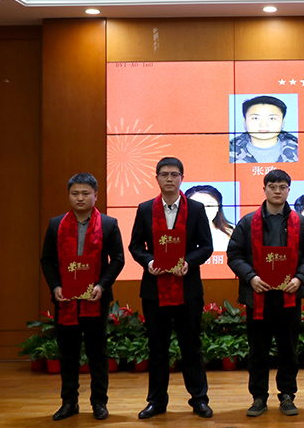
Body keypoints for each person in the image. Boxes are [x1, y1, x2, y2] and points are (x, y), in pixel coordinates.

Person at [227, 169, 304, 417]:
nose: (277, 191)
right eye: (272, 187)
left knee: (288, 349)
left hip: (288, 296)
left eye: (282, 187)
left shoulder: (300, 223)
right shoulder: (248, 222)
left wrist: (299, 278)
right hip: (258, 295)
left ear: (288, 190)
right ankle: (258, 397)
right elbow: (234, 254)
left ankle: (287, 395)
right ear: (264, 189)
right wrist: (251, 277)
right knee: (257, 350)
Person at [129, 157, 214, 419]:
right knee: (157, 348)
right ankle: (156, 402)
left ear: (182, 178)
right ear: (157, 178)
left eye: (174, 174)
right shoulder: (145, 209)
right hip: (154, 290)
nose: (169, 179)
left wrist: (188, 262)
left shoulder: (196, 209)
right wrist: (149, 262)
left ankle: (199, 399)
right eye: (164, 174)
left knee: (192, 347)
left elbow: (206, 246)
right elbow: (135, 246)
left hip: (188, 289)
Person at [40, 173, 125, 421]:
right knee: (68, 354)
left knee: (98, 354)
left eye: (85, 193)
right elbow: (47, 260)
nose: (80, 198)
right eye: (75, 193)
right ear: (69, 195)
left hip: (95, 299)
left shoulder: (108, 224)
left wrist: (102, 286)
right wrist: (55, 287)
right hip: (65, 300)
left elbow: (118, 259)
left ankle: (99, 402)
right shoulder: (56, 224)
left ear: (95, 196)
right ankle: (69, 403)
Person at [230, 95, 299, 163]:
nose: (263, 124)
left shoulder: (300, 150)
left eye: (272, 118)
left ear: (282, 122)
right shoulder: (228, 151)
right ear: (245, 121)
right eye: (255, 118)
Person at [185, 184, 234, 252]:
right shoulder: (175, 233)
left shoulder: (233, 233)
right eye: (197, 206)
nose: (204, 210)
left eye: (209, 205)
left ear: (218, 207)